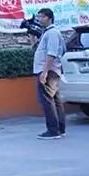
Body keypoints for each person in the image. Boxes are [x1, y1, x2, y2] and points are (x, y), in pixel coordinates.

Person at [32, 8, 66, 140]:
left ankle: (53, 130)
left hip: (49, 70)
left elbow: (52, 53)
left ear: (49, 18)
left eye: (42, 17)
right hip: (51, 70)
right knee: (55, 100)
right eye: (38, 17)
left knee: (48, 100)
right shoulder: (47, 33)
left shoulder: (52, 33)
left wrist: (45, 72)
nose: (39, 19)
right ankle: (60, 128)